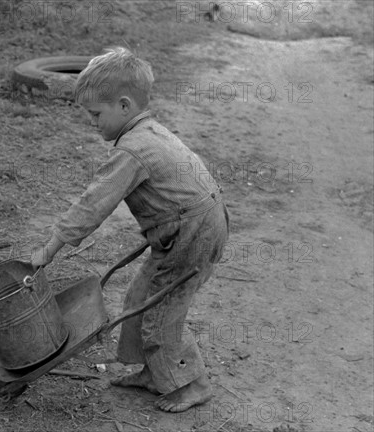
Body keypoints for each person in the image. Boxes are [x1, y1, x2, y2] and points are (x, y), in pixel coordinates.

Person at [31, 47, 229, 413]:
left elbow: (93, 204)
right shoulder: (147, 130)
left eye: (95, 114)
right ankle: (156, 372)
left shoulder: (133, 150)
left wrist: (51, 246)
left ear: (123, 106)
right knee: (140, 298)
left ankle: (193, 383)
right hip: (189, 226)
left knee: (161, 310)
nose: (92, 123)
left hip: (193, 232)